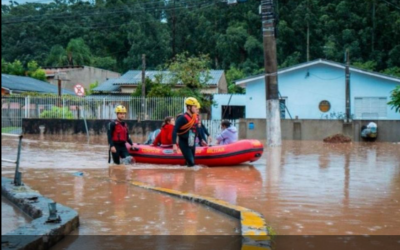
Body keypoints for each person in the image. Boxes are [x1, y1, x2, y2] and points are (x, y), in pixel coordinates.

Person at [172, 97, 207, 167]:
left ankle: (187, 177)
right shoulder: (182, 118)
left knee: (189, 162)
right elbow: (174, 130)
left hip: (192, 142)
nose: (196, 108)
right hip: (184, 143)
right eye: (194, 106)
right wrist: (174, 144)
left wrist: (201, 139)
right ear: (189, 107)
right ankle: (191, 176)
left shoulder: (194, 117)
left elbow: (196, 129)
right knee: (191, 163)